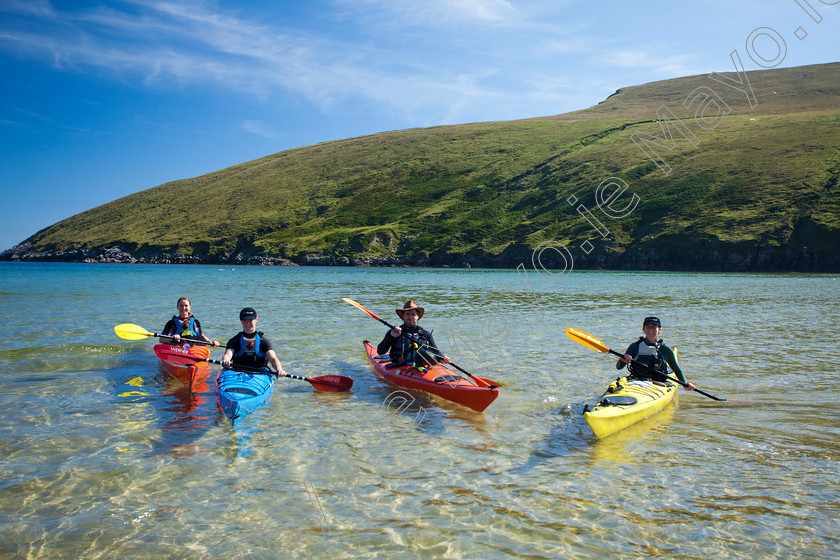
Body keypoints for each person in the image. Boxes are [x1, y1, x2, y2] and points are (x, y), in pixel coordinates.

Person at [617, 316, 695, 390]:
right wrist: (623, 360)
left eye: (654, 327)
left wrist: (685, 384)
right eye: (648, 327)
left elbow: (676, 370)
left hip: (658, 383)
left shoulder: (665, 349)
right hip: (636, 381)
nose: (651, 330)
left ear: (660, 329)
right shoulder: (635, 346)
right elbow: (618, 367)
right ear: (643, 329)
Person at [377, 300, 450, 369]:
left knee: (428, 354)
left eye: (413, 314)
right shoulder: (394, 332)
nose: (410, 317)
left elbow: (436, 351)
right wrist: (391, 337)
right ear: (403, 317)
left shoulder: (425, 334)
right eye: (407, 314)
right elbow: (380, 352)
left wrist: (443, 358)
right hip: (399, 366)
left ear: (417, 316)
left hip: (420, 367)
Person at [221, 307, 285, 374]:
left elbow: (272, 358)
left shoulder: (264, 341)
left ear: (256, 319)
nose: (247, 323)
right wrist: (226, 359)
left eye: (250, 320)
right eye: (244, 320)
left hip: (259, 373)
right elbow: (228, 354)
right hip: (237, 372)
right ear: (240, 321)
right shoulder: (234, 340)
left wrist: (279, 369)